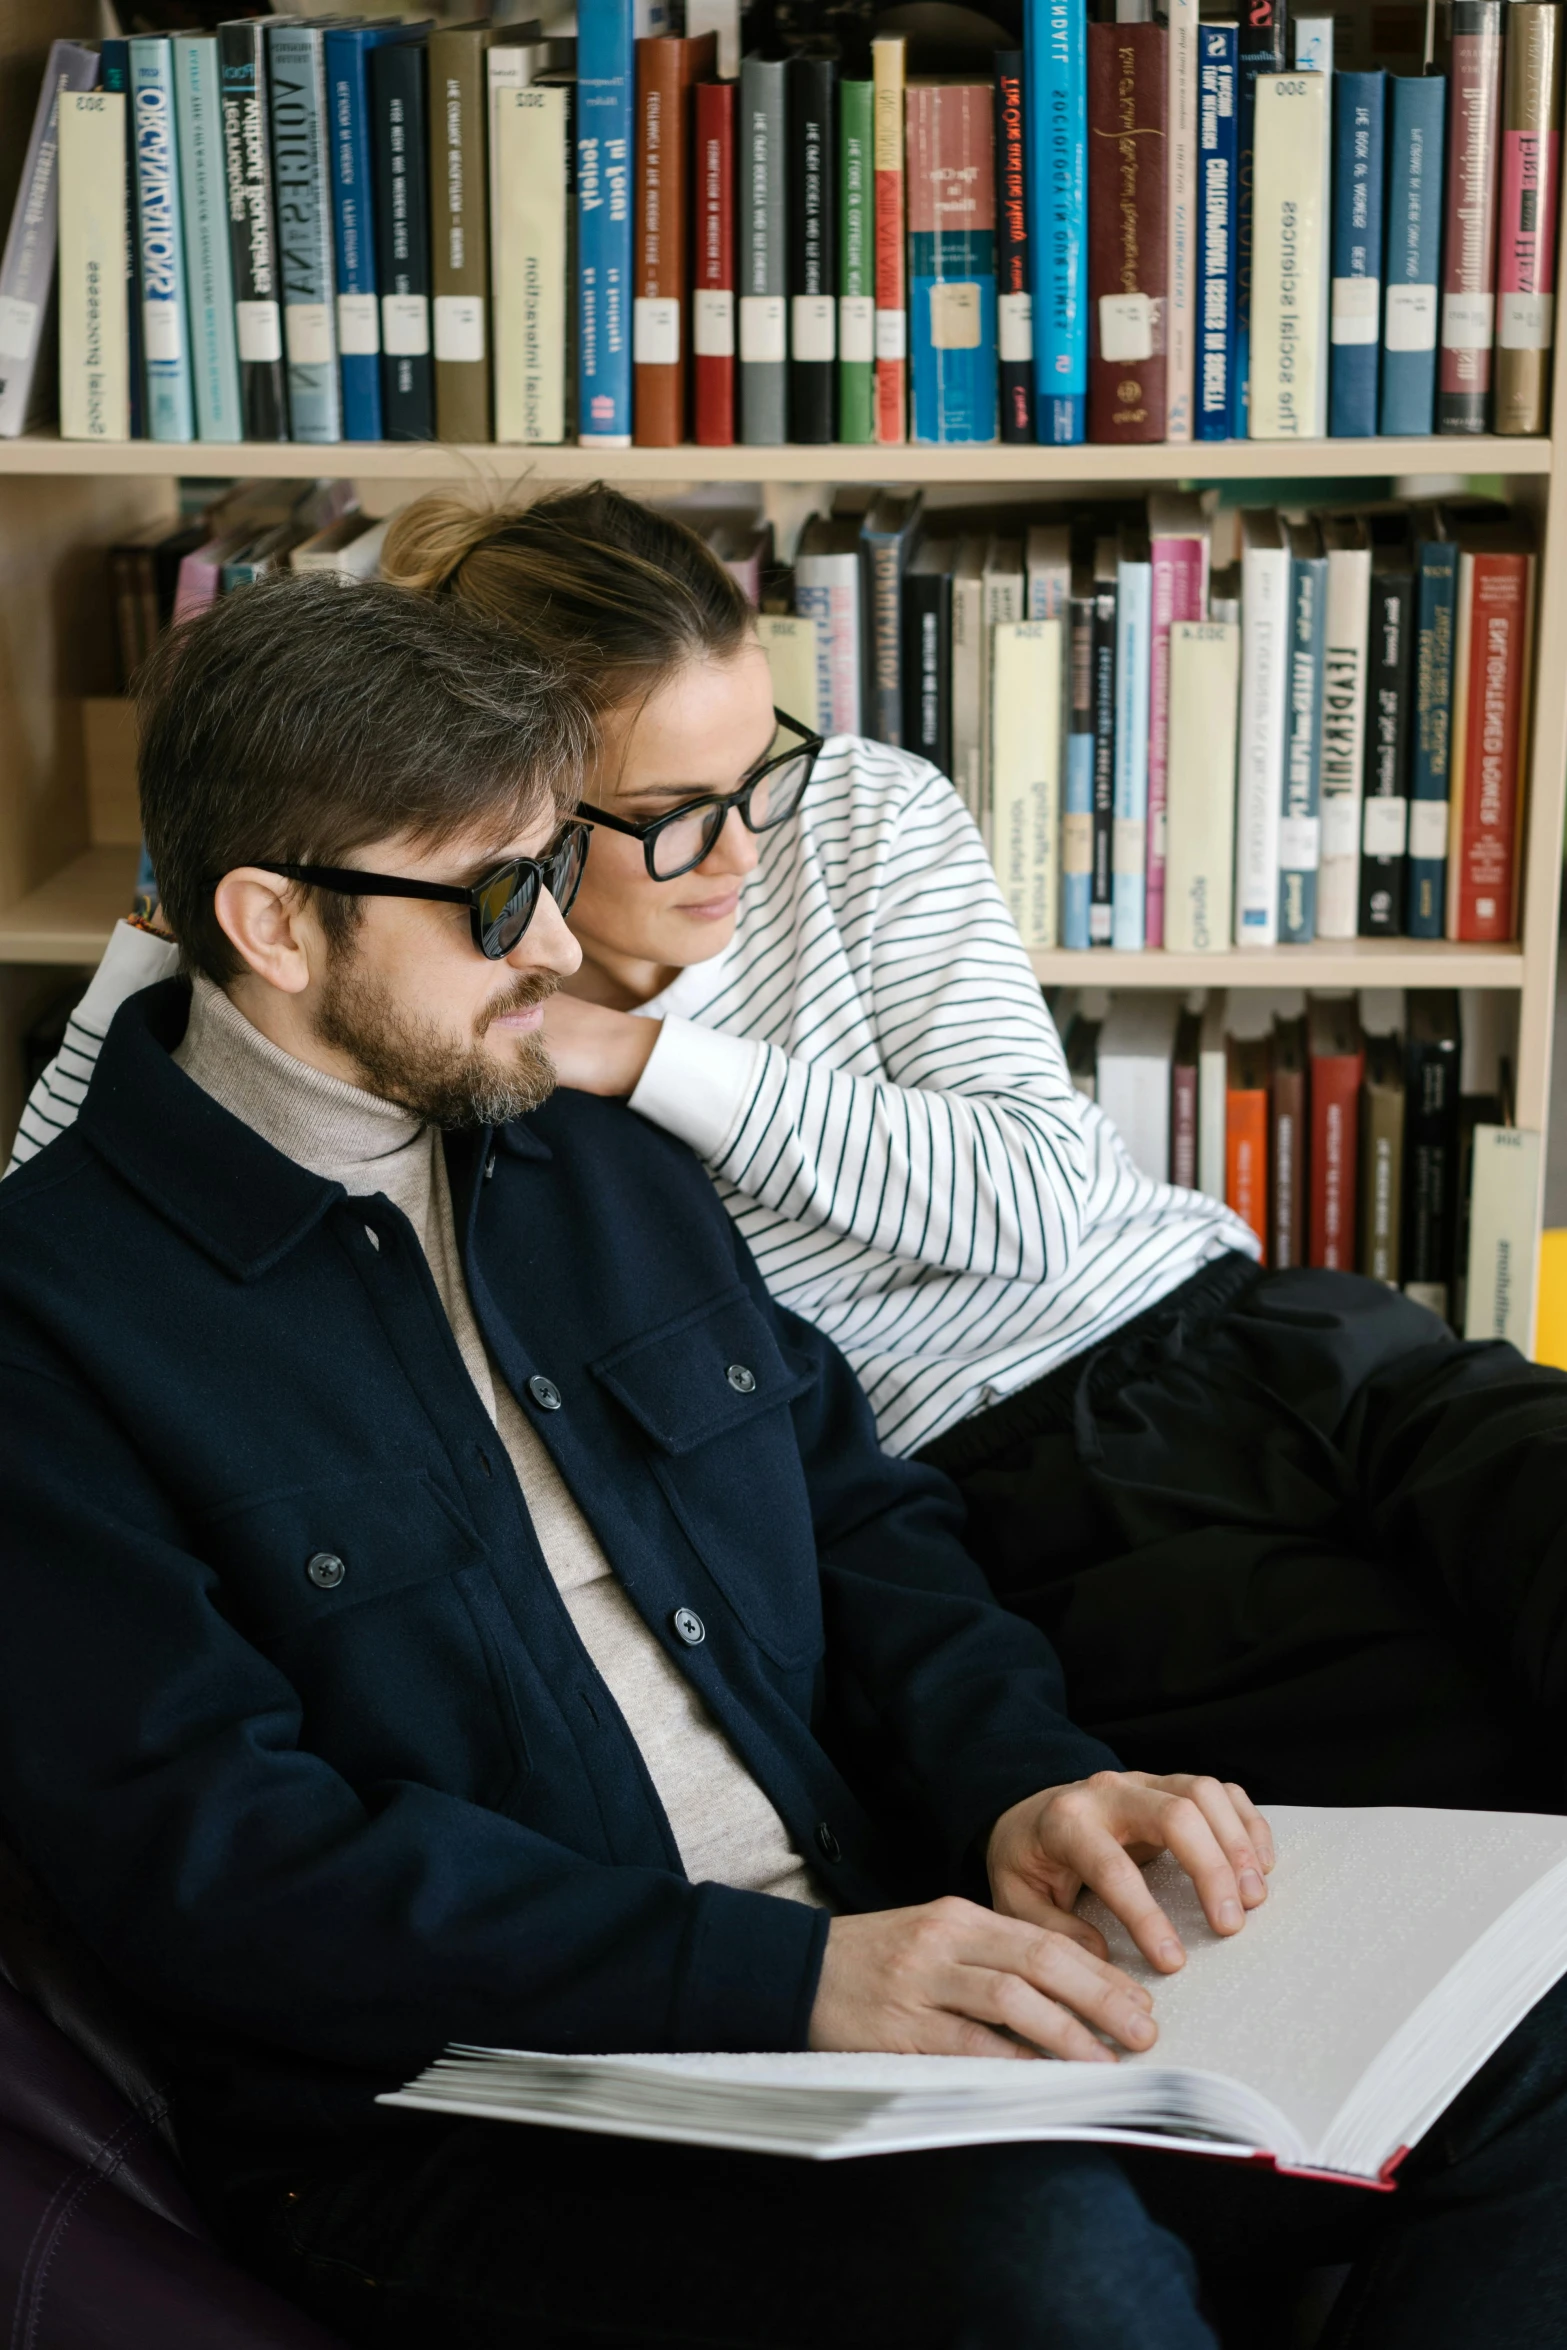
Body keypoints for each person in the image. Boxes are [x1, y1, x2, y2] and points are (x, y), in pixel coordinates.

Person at [5, 572, 1567, 2350]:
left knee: (1536, 2038)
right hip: (475, 2103)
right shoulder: (52, 1322)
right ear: (273, 924)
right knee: (1044, 2260)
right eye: (496, 896)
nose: (554, 947)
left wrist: (1025, 1787)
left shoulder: (583, 1154)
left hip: (884, 1947)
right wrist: (795, 1976)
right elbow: (214, 1857)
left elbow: (862, 1514)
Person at [24, 487, 1550, 1806]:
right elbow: (72, 1220)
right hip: (1010, 1474)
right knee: (1458, 1793)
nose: (747, 845)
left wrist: (638, 1055)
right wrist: (170, 931)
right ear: (524, 802)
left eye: (761, 766)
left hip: (1255, 1329)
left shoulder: (854, 819)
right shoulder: (434, 1025)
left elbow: (1035, 1195)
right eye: (676, 811)